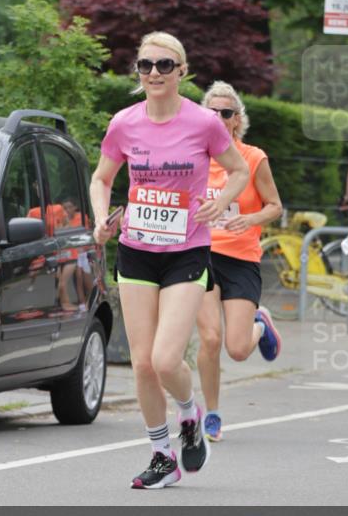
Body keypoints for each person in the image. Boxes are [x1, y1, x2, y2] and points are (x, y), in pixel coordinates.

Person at [90, 32, 249, 488]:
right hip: (137, 250)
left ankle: (189, 413)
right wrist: (103, 219)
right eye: (145, 65)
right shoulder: (124, 122)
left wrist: (220, 205)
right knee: (141, 364)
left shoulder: (204, 123)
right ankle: (162, 455)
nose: (154, 73)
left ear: (182, 71)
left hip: (187, 251)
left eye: (164, 65)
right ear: (137, 72)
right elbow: (102, 179)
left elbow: (237, 170)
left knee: (165, 360)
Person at [196, 82, 284, 442]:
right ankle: (212, 413)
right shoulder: (194, 157)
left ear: (237, 120)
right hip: (200, 255)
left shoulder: (252, 158)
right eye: (212, 112)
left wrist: (249, 220)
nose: (219, 118)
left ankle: (260, 324)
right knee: (210, 338)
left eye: (227, 113)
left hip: (241, 258)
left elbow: (275, 206)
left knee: (236, 348)